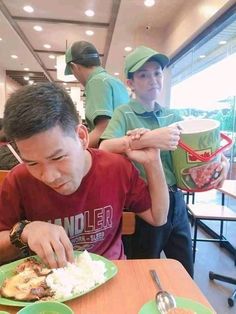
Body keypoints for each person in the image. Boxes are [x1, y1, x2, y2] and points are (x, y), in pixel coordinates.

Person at [0, 82, 169, 269]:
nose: (49, 176)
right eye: (31, 163)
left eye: (58, 157)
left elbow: (158, 217)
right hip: (47, 283)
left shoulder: (116, 168)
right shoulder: (19, 180)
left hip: (110, 274)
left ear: (81, 136)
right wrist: (25, 230)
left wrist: (153, 161)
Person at [100, 46, 229, 277]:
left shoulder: (172, 116)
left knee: (184, 267)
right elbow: (105, 147)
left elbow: (201, 151)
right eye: (143, 75)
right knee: (143, 267)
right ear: (131, 83)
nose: (153, 80)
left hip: (176, 199)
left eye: (157, 73)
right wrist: (150, 139)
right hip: (142, 201)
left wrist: (221, 163)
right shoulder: (124, 113)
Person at [64, 41, 129, 147]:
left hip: (113, 155)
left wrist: (74, 149)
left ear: (74, 67)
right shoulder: (115, 81)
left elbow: (103, 130)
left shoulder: (96, 82)